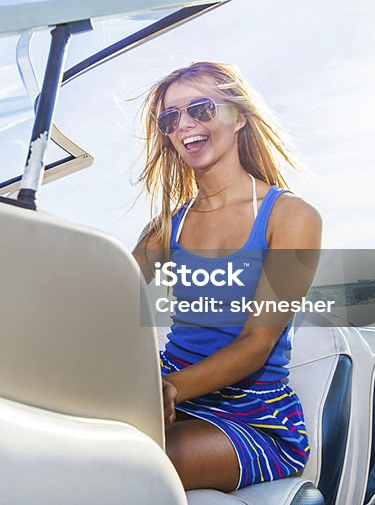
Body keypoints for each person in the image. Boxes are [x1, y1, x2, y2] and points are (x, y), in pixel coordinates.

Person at [132, 61, 322, 492]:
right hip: (168, 391)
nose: (184, 125)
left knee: (131, 465)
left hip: (254, 417)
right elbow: (107, 296)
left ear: (238, 116)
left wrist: (167, 390)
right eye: (170, 117)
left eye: (200, 109)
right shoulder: (168, 225)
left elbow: (256, 344)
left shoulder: (292, 217)